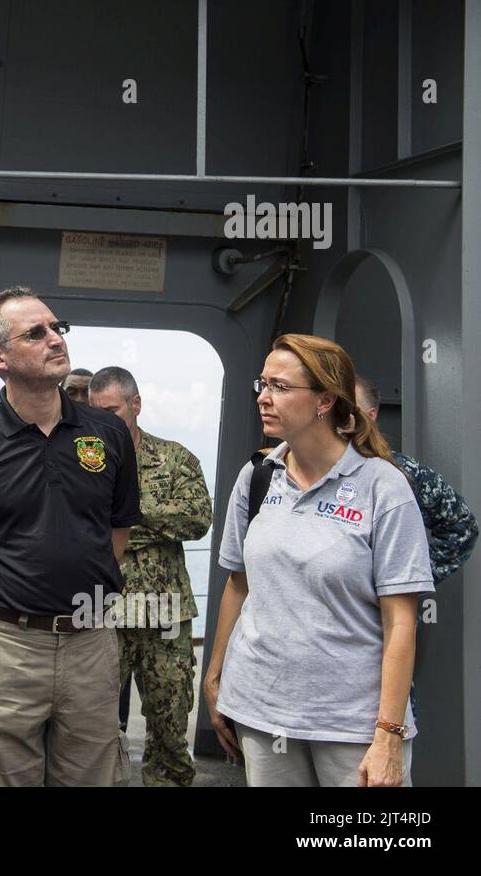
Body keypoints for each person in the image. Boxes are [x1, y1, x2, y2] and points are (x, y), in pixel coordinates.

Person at [0, 287, 140, 787]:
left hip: (92, 646)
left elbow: (118, 529)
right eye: (36, 333)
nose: (55, 339)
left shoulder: (107, 435)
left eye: (57, 328)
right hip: (4, 649)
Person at [204, 334, 433, 787]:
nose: (263, 398)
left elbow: (402, 621)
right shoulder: (257, 477)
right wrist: (214, 679)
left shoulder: (381, 487)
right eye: (262, 384)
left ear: (326, 400)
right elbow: (239, 584)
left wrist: (388, 735)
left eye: (281, 387)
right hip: (262, 711)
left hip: (352, 723)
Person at [89, 366, 211, 787]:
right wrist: (155, 526)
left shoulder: (174, 458)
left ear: (135, 405)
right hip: (102, 613)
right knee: (91, 727)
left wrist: (129, 518)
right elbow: (72, 525)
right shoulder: (84, 462)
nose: (104, 419)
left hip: (165, 614)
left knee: (170, 725)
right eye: (95, 410)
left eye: (112, 410)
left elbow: (197, 519)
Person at [354, 375, 477, 583]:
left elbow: (461, 527)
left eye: (349, 408)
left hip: (380, 611)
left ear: (370, 415)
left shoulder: (399, 471)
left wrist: (404, 580)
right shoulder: (303, 466)